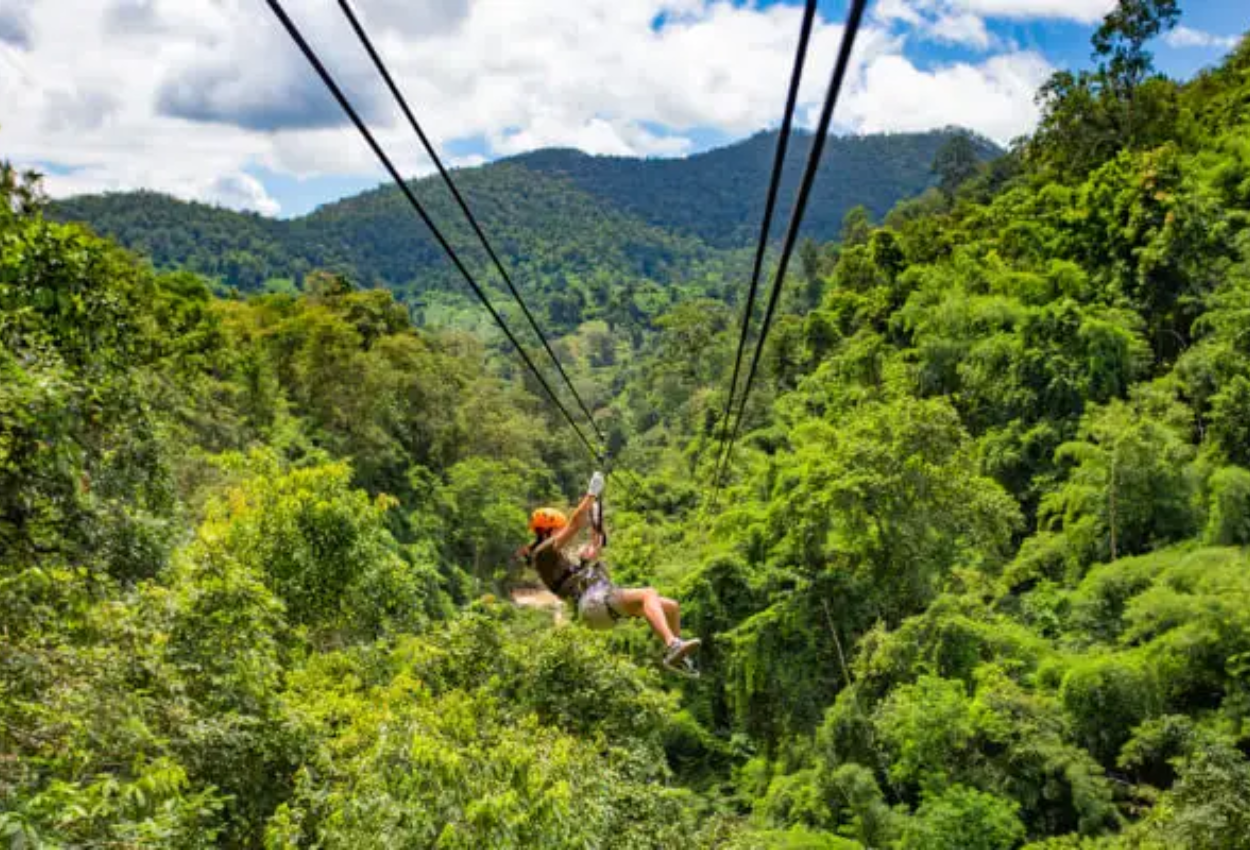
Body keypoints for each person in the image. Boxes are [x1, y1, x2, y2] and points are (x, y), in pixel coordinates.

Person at [522, 471, 701, 675]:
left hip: (596, 604)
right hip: (593, 602)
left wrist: (597, 518)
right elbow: (575, 523)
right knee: (648, 593)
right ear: (547, 531)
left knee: (671, 607)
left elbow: (595, 547)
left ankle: (678, 657)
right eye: (557, 530)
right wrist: (591, 494)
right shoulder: (543, 553)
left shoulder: (562, 563)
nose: (561, 534)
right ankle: (672, 645)